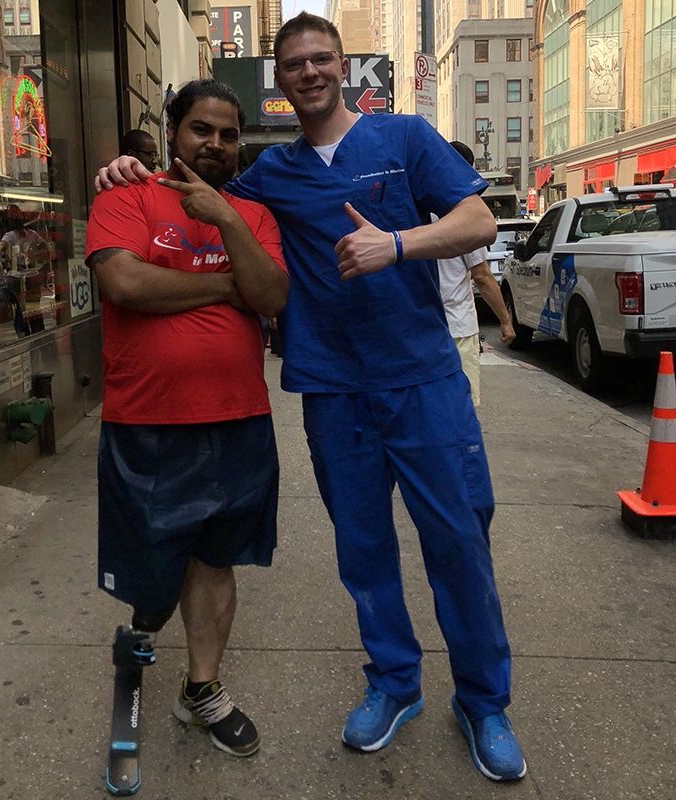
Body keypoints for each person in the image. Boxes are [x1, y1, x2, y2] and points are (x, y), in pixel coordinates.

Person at [95, 14, 526, 782]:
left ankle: (484, 701)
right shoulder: (270, 174)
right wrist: (124, 169)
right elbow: (208, 187)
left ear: (345, 67)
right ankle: (394, 685)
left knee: (458, 544)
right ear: (281, 78)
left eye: (321, 58)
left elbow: (477, 218)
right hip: (332, 391)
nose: (309, 72)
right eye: (293, 63)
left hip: (422, 381)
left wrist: (396, 243)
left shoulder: (403, 139)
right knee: (363, 553)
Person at [86, 79, 289, 758]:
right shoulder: (124, 197)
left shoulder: (252, 217)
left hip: (238, 421)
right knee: (151, 569)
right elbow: (126, 284)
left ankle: (201, 686)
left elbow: (270, 296)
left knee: (216, 558)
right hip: (146, 422)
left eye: (229, 135)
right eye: (202, 129)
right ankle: (147, 615)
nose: (216, 145)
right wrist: (222, 285)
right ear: (172, 131)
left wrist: (227, 221)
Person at [437, 142, 516, 406]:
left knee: (433, 406)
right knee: (461, 406)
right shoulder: (463, 214)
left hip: (426, 327)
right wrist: (505, 320)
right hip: (457, 327)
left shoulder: (419, 208)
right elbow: (481, 275)